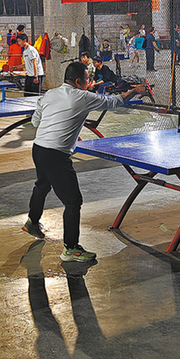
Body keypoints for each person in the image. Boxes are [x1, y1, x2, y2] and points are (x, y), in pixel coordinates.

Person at [21, 61, 147, 262]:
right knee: (73, 201)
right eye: (88, 79)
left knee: (42, 185)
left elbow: (35, 122)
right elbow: (115, 101)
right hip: (56, 155)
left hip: (39, 149)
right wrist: (135, 91)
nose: (90, 82)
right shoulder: (83, 97)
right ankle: (71, 248)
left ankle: (32, 222)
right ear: (79, 81)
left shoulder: (49, 94)